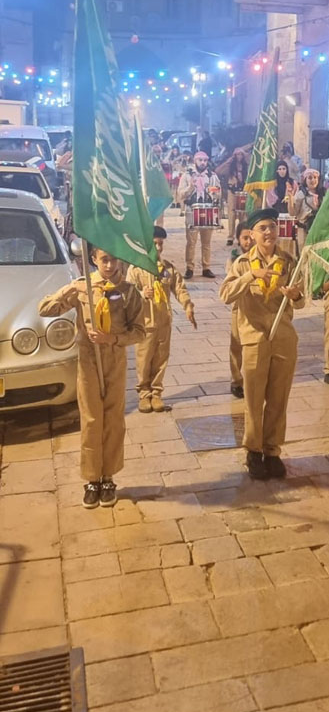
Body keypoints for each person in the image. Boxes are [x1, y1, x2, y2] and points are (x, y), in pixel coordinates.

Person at [38, 246, 145, 508]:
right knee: (91, 419)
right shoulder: (82, 287)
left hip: (114, 359)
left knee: (113, 418)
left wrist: (113, 339)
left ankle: (108, 476)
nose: (109, 265)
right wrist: (71, 291)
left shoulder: (128, 292)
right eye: (104, 259)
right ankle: (91, 478)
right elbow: (45, 309)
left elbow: (140, 332)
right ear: (94, 260)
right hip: (88, 360)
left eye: (113, 259)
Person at [219, 207, 303, 480]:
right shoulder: (243, 263)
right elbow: (225, 295)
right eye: (262, 228)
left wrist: (295, 295)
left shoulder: (288, 261)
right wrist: (249, 277)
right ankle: (254, 451)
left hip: (283, 338)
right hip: (254, 339)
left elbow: (302, 301)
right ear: (252, 234)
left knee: (279, 398)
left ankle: (273, 451)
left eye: (272, 227)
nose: (269, 232)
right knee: (254, 400)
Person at [127, 225, 197, 413]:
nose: (158, 248)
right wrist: (141, 293)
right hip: (145, 324)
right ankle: (144, 394)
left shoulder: (167, 269)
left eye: (161, 244)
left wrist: (187, 305)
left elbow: (179, 288)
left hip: (163, 322)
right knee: (144, 361)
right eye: (155, 244)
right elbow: (127, 293)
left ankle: (156, 393)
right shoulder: (136, 269)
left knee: (160, 359)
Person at [178, 150, 220, 278]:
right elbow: (180, 194)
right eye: (200, 160)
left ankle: (206, 267)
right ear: (195, 161)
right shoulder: (187, 175)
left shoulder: (212, 176)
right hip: (192, 210)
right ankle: (189, 267)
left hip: (207, 210)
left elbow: (218, 193)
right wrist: (190, 187)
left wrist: (213, 192)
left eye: (205, 160)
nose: (203, 163)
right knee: (191, 242)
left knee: (206, 242)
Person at [225, 220, 253, 399]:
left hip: (258, 307)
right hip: (239, 306)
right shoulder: (234, 259)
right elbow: (230, 284)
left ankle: (252, 378)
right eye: (244, 238)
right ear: (238, 239)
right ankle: (236, 379)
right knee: (236, 344)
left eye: (251, 237)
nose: (248, 242)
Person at [291, 167, 323, 252]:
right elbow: (293, 212)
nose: (313, 180)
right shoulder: (301, 194)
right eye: (310, 178)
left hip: (319, 228)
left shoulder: (323, 194)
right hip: (304, 229)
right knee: (304, 252)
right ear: (305, 180)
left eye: (315, 177)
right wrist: (290, 199)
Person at [226, 148, 249, 246]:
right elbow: (219, 170)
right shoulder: (230, 166)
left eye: (241, 154)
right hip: (232, 191)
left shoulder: (246, 166)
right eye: (237, 154)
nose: (239, 156)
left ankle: (241, 236)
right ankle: (230, 236)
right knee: (231, 213)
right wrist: (228, 161)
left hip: (243, 191)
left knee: (242, 214)